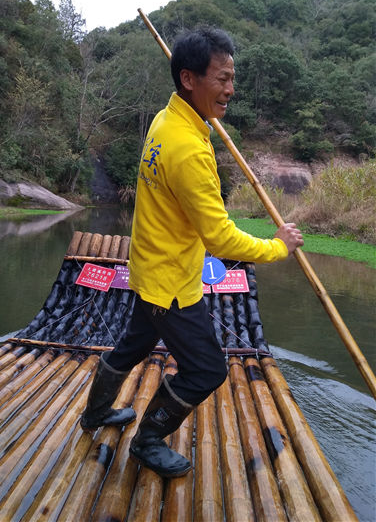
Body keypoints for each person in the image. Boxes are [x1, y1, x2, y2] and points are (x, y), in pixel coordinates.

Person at [80, 26, 304, 478]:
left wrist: (207, 115)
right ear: (188, 78)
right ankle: (147, 440)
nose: (230, 89)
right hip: (171, 284)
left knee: (131, 346)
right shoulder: (187, 150)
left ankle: (96, 413)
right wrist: (278, 246)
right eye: (221, 79)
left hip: (149, 266)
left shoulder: (168, 119)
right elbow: (221, 238)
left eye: (231, 77)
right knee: (206, 370)